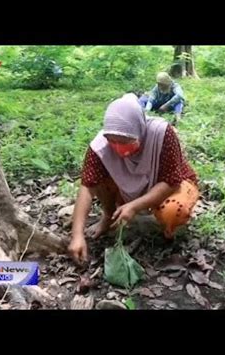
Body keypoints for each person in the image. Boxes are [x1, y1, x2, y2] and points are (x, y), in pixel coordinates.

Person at [68, 94, 199, 263]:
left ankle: (167, 227)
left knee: (174, 211)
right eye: (112, 141)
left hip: (166, 184)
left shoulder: (161, 134)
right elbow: (87, 187)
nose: (118, 147)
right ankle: (109, 216)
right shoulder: (99, 147)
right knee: (97, 178)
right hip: (128, 186)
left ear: (140, 131)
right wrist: (77, 235)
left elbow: (171, 181)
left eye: (125, 141)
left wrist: (135, 206)